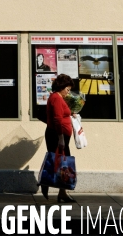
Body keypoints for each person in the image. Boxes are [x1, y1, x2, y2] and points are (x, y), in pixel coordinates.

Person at [41, 73, 76, 203]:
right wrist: (61, 137)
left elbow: (62, 113)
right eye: (67, 89)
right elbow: (57, 119)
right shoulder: (56, 98)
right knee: (58, 162)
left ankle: (62, 193)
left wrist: (72, 113)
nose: (68, 92)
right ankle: (45, 182)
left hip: (60, 135)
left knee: (62, 163)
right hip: (56, 135)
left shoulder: (59, 97)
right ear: (61, 86)